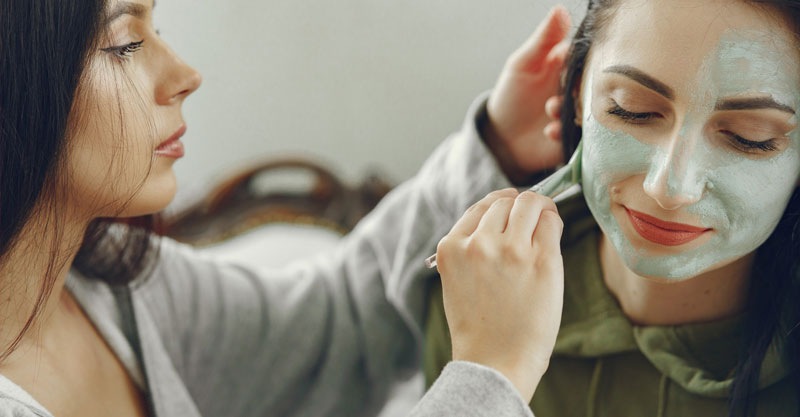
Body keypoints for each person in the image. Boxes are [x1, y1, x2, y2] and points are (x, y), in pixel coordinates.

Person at [0, 0, 571, 416]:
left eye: (158, 29)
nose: (185, 76)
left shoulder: (113, 282)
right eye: (126, 42)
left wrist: (496, 145)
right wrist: (492, 374)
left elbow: (332, 332)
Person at [426, 0, 800, 416]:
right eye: (632, 109)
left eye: (749, 137)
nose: (668, 188)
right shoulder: (479, 291)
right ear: (575, 95)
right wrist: (488, 374)